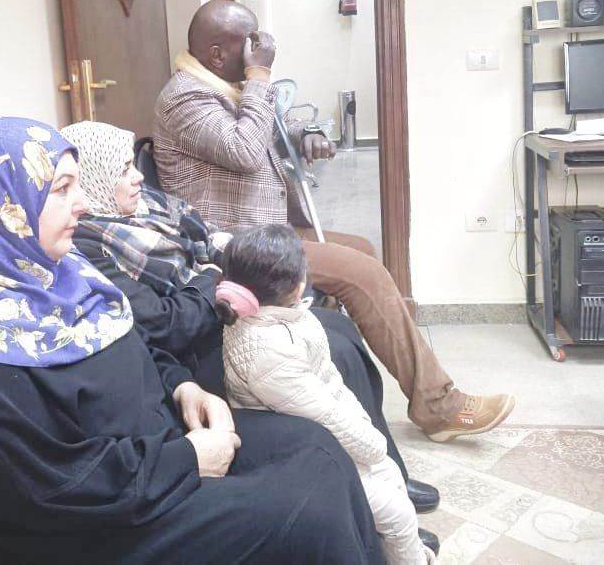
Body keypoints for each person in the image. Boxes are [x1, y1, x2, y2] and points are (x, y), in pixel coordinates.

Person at [0, 117, 386, 564]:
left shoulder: (61, 276)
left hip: (151, 457)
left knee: (319, 446)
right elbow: (51, 489)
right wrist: (188, 460)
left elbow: (133, 341)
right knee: (309, 509)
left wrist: (184, 387)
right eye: (62, 189)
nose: (82, 204)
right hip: (95, 531)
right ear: (7, 209)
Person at [153, 0, 515, 442]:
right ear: (216, 54)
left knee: (362, 250)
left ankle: (322, 358)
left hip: (265, 228)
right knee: (362, 273)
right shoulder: (184, 97)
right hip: (233, 244)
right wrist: (260, 75)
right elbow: (245, 149)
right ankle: (438, 406)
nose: (258, 49)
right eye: (249, 42)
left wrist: (308, 135)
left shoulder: (222, 85)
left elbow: (268, 127)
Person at [60, 120, 441, 524]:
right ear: (95, 179)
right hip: (199, 349)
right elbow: (166, 323)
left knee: (339, 332)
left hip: (226, 310)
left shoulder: (145, 208)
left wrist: (224, 267)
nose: (138, 176)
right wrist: (216, 277)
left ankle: (386, 475)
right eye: (123, 170)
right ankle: (367, 504)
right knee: (334, 353)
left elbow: (207, 235)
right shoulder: (88, 245)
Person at [217, 225, 435, 565]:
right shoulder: (268, 352)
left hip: (326, 431)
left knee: (390, 478)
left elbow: (328, 390)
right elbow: (323, 415)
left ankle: (396, 549)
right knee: (397, 513)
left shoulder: (285, 317)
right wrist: (372, 445)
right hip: (303, 451)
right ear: (297, 285)